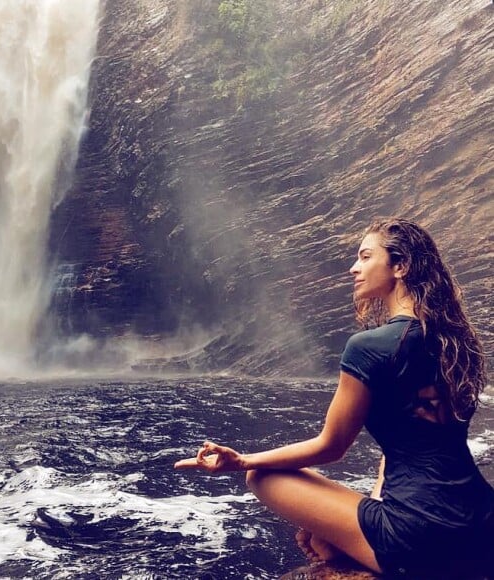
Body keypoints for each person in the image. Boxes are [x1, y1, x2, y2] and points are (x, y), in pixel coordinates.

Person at [175, 218, 494, 578]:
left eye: (364, 256)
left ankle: (345, 543)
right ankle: (346, 539)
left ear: (400, 266)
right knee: (398, 454)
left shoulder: (369, 348)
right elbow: (416, 448)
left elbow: (331, 447)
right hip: (482, 525)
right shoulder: (459, 342)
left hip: (419, 538)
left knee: (262, 476)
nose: (353, 267)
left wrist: (241, 461)